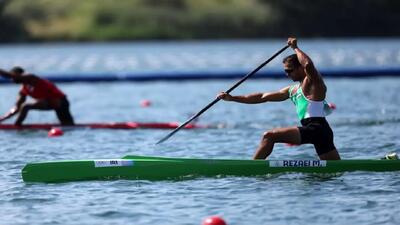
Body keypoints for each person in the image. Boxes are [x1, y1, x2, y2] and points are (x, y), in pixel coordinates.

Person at [217, 38, 340, 160]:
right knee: (334, 168)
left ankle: (252, 167)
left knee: (269, 136)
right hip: (321, 132)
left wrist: (295, 48)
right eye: (285, 71)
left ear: (300, 68)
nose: (287, 74)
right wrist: (232, 98)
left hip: (316, 128)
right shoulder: (292, 90)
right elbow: (262, 97)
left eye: (289, 70)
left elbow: (308, 64)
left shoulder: (313, 82)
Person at [0, 66, 74, 125]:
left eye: (13, 76)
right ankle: (17, 126)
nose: (12, 79)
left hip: (61, 103)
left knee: (68, 125)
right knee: (25, 106)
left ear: (20, 75)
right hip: (49, 103)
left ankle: (17, 126)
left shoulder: (32, 78)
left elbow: (9, 75)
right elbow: (17, 108)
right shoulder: (24, 90)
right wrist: (2, 119)